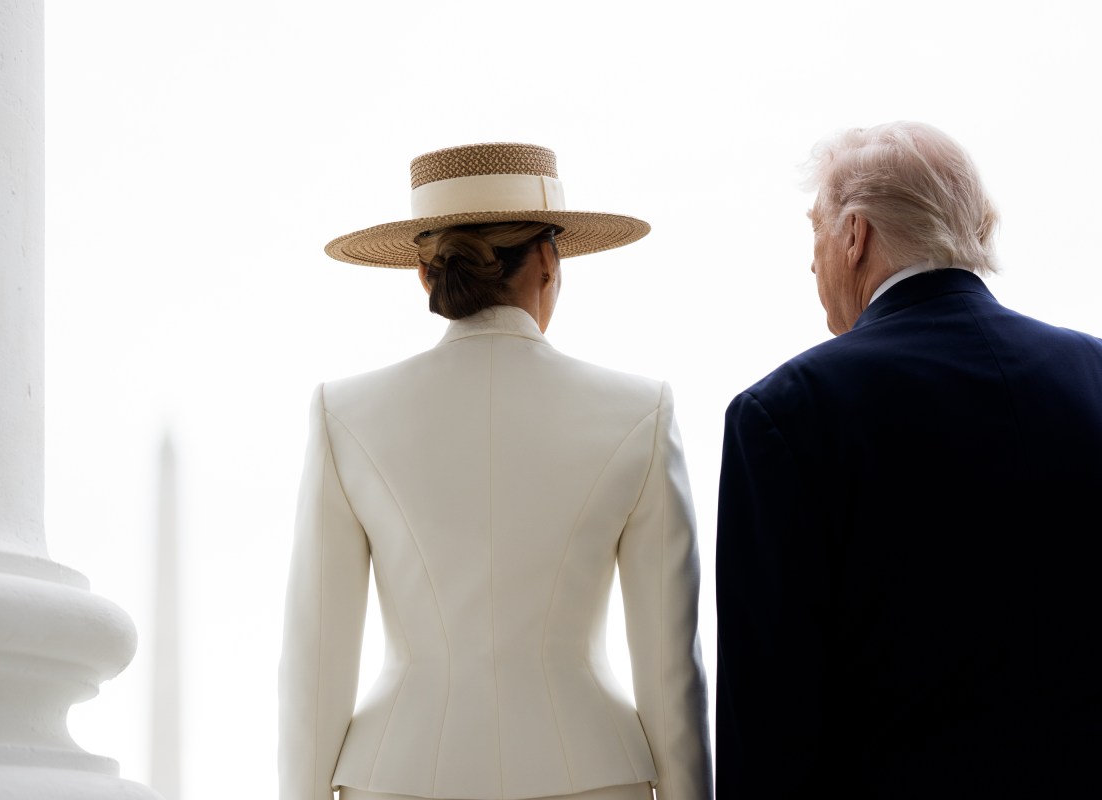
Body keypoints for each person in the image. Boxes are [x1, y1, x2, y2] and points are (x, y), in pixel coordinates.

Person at [279, 142, 713, 800]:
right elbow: (668, 670)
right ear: (547, 260)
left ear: (426, 276)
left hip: (400, 777)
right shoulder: (640, 411)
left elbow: (315, 665)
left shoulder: (345, 414)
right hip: (593, 777)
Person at [715, 120, 1102, 798]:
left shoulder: (784, 414)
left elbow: (768, 721)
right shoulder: (1093, 373)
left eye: (816, 231)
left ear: (855, 236)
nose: (811, 261)